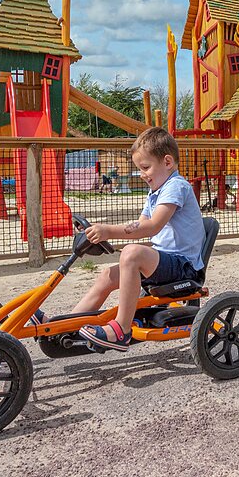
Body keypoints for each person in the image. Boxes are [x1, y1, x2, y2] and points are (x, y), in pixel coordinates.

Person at [45, 127, 206, 352]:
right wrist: (103, 235)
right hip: (163, 264)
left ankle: (121, 329)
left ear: (167, 162)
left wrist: (110, 231)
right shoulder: (156, 192)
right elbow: (138, 226)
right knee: (107, 276)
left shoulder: (176, 186)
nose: (142, 174)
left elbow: (152, 226)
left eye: (146, 167)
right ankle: (65, 325)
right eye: (139, 169)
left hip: (183, 267)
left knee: (132, 253)